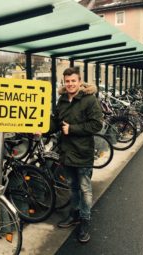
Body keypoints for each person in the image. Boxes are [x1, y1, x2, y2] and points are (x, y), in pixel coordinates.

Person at [50, 67, 103, 243]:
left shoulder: (89, 100)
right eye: (67, 81)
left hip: (83, 153)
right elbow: (56, 122)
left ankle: (84, 222)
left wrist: (71, 129)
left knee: (85, 189)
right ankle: (74, 216)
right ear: (64, 82)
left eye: (73, 81)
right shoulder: (62, 100)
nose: (70, 84)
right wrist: (42, 129)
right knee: (72, 188)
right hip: (67, 153)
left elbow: (96, 125)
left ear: (79, 81)